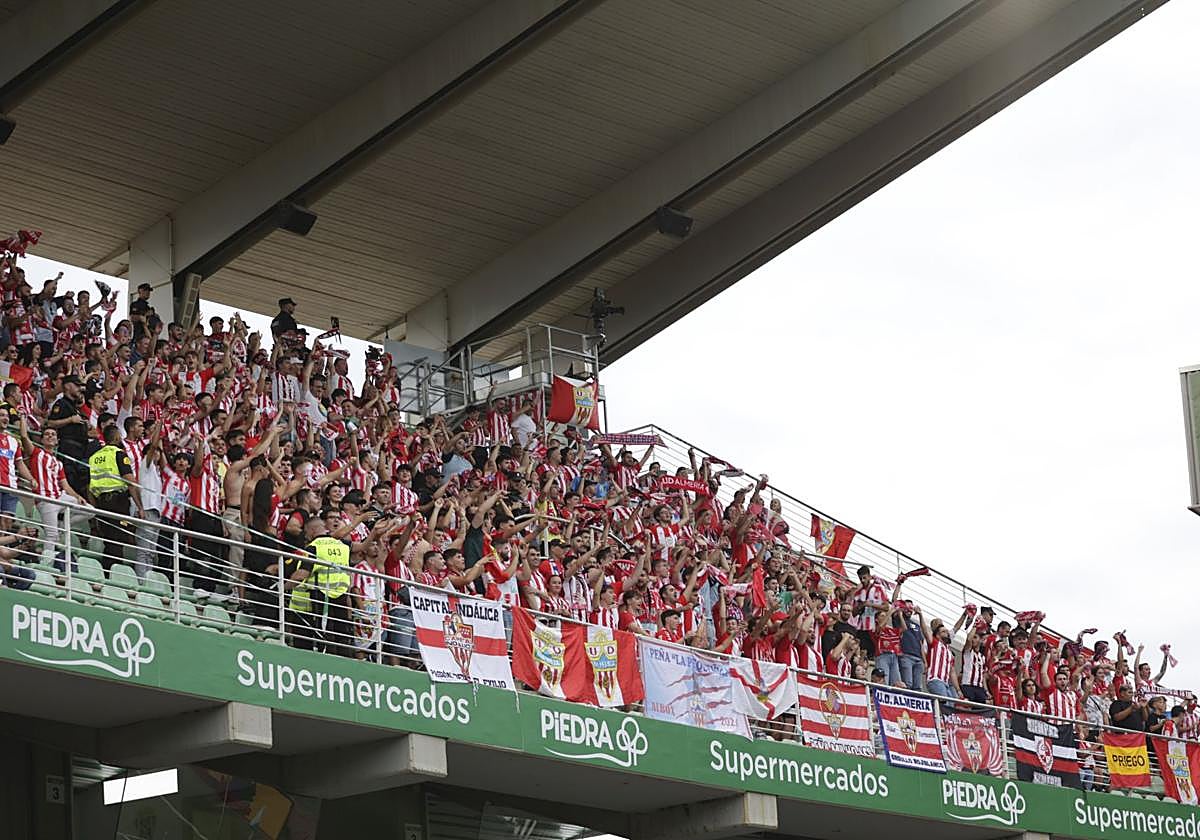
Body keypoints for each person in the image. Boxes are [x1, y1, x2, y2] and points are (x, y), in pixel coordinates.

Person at [87, 423, 141, 569]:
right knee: (119, 538)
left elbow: (90, 486)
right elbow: (131, 482)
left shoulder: (94, 457)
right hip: (118, 503)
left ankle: (108, 571)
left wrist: (95, 508)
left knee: (109, 540)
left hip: (101, 503)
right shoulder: (119, 454)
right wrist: (140, 507)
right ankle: (115, 572)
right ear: (117, 437)